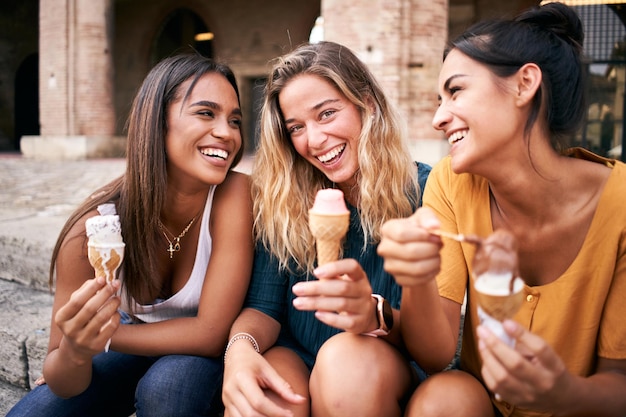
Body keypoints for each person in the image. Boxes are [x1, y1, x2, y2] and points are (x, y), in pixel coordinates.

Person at [377, 2, 626, 416]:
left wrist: (563, 393)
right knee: (443, 399)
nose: (439, 117)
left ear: (524, 84)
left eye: (455, 91)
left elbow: (619, 382)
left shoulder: (620, 204)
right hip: (481, 405)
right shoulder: (450, 182)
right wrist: (417, 278)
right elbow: (436, 356)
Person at [7, 53, 254, 417]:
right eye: (206, 113)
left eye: (234, 120)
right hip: (130, 332)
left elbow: (211, 333)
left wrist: (103, 337)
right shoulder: (91, 228)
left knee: (168, 390)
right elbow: (61, 378)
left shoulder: (235, 195)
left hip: (197, 352)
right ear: (156, 122)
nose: (227, 132)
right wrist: (75, 350)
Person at [221, 41, 431, 417]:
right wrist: (239, 349)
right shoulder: (285, 197)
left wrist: (375, 315)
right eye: (296, 127)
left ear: (366, 104)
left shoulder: (426, 194)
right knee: (261, 402)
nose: (314, 141)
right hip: (298, 352)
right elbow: (264, 308)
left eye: (327, 114)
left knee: (344, 364)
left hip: (390, 360)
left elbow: (437, 338)